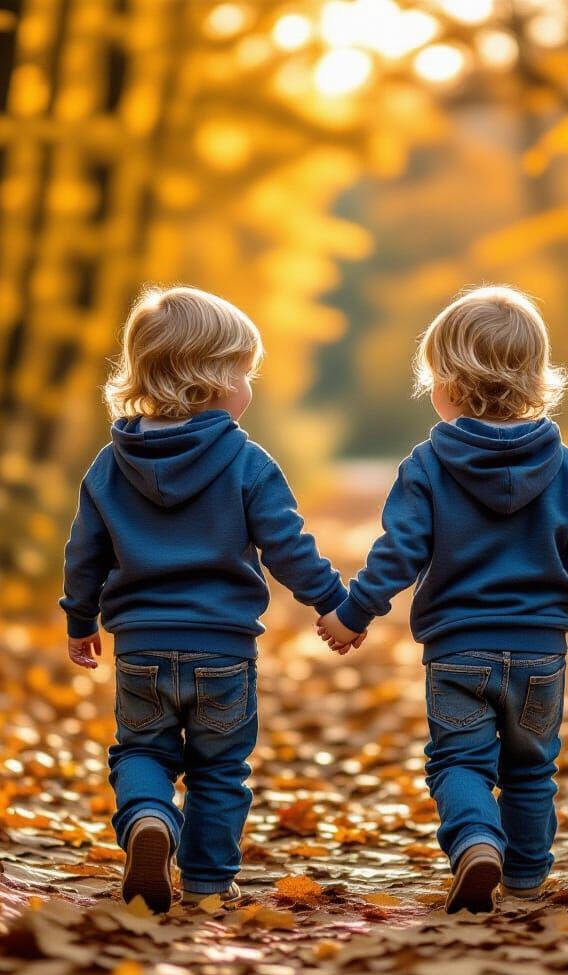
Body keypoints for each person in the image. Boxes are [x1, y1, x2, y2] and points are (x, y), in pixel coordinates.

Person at [318, 285, 568, 913]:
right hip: (540, 652)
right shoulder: (566, 466)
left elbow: (399, 552)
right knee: (531, 768)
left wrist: (353, 613)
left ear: (451, 384)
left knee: (457, 762)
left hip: (458, 651)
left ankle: (476, 842)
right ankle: (526, 878)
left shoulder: (428, 465)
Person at [62, 285, 351, 912]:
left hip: (140, 649)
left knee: (142, 751)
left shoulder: (111, 464)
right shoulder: (246, 461)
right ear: (214, 379)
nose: (249, 388)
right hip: (223, 651)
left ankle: (148, 818)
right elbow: (287, 545)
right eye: (244, 374)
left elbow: (84, 553)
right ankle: (207, 883)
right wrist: (333, 603)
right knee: (219, 770)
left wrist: (80, 618)